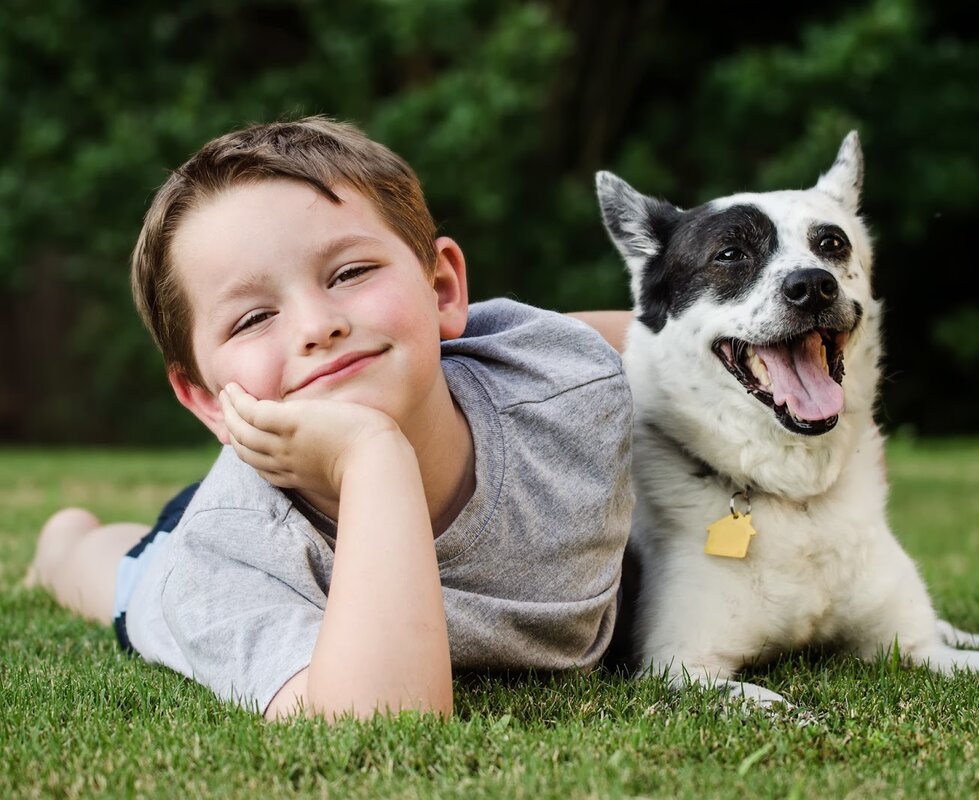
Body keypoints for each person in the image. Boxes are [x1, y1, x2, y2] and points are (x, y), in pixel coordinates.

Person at [23, 116, 635, 721]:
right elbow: (382, 726)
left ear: (443, 290)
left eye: (350, 274)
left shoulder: (559, 378)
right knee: (127, 576)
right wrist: (371, 455)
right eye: (253, 318)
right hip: (243, 517)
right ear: (207, 398)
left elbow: (669, 342)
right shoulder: (220, 565)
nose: (319, 326)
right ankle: (62, 544)